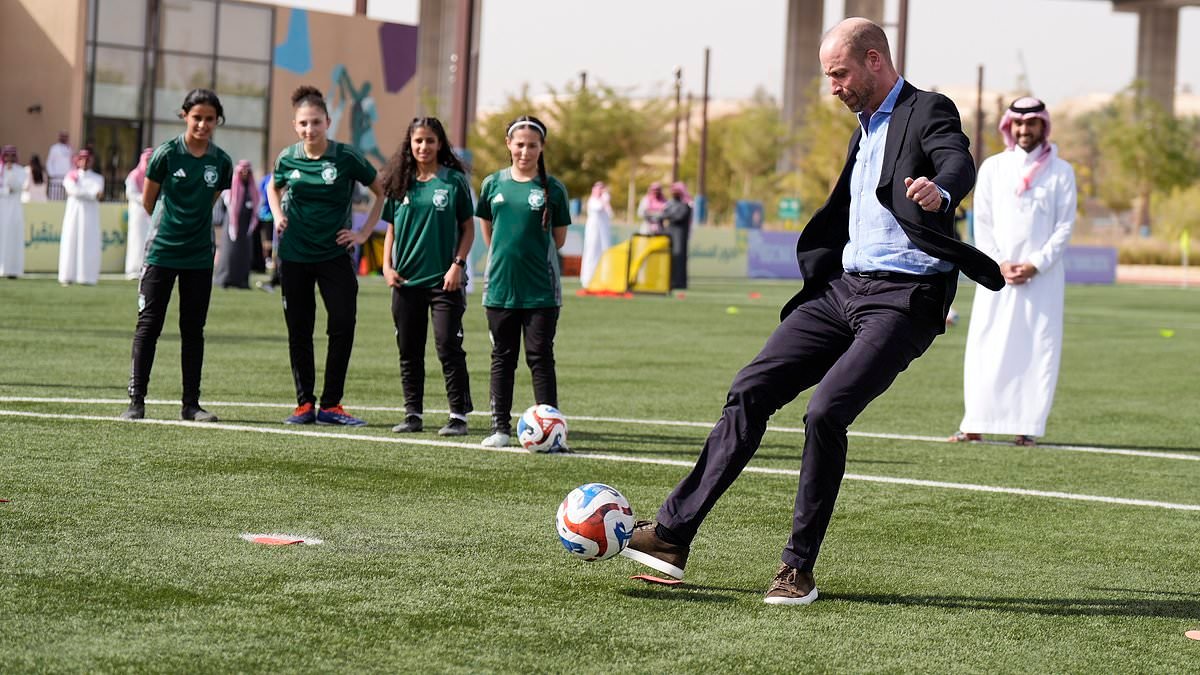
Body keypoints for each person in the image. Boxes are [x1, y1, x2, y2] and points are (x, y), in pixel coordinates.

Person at [619, 18, 1004, 605]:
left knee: (825, 412)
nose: (833, 87)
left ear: (874, 60)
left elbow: (957, 160)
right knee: (750, 389)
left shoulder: (928, 109)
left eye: (839, 73)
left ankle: (797, 569)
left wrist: (942, 191)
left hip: (904, 300)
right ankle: (671, 536)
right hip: (842, 289)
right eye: (828, 76)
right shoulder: (862, 129)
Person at [951, 97, 1076, 447]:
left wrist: (1036, 263)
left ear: (1043, 125)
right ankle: (974, 423)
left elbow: (1064, 227)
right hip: (997, 275)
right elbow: (982, 223)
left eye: (1031, 123)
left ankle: (1027, 427)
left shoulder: (1061, 172)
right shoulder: (993, 168)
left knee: (1038, 348)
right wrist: (999, 263)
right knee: (986, 345)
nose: (1024, 130)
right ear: (1009, 126)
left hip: (1042, 279)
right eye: (1018, 123)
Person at [267, 85, 384, 427]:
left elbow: (381, 191)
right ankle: (304, 403)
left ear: (328, 122)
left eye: (316, 122)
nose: (310, 129)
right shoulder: (287, 158)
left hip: (335, 255)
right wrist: (277, 215)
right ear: (295, 125)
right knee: (300, 329)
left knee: (343, 324)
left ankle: (332, 404)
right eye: (303, 123)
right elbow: (273, 186)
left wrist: (363, 233)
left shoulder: (346, 157)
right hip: (294, 255)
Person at [121, 89, 233, 422]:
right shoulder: (166, 154)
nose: (202, 124)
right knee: (149, 325)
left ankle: (191, 405)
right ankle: (136, 401)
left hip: (199, 255)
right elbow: (148, 201)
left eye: (209, 119)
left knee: (193, 329)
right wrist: (172, 225)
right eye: (197, 117)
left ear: (217, 121)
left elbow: (211, 200)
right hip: (162, 251)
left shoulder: (222, 161)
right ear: (185, 115)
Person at [475, 115, 572, 448]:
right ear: (509, 144)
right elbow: (488, 231)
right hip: (500, 288)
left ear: (541, 147)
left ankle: (552, 431)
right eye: (519, 144)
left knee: (540, 357)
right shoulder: (492, 184)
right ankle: (499, 428)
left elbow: (558, 239)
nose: (525, 151)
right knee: (502, 356)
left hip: (541, 290)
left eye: (532, 145)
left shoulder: (554, 189)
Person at [380, 117, 475, 436]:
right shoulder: (399, 181)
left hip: (445, 281)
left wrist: (457, 265)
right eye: (418, 140)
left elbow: (468, 228)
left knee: (448, 345)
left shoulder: (453, 181)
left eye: (430, 140)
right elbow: (391, 229)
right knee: (409, 349)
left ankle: (458, 415)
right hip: (406, 281)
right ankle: (413, 414)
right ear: (409, 144)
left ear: (440, 144)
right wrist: (387, 266)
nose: (423, 146)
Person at [57, 148, 104, 285]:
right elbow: (72, 190)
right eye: (82, 159)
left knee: (89, 244)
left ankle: (86, 277)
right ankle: (67, 276)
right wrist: (90, 194)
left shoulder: (98, 178)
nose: (84, 162)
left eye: (87, 160)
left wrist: (85, 193)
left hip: (90, 217)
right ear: (78, 160)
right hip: (73, 216)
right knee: (70, 242)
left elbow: (98, 193)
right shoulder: (71, 176)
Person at [213, 160, 259, 289]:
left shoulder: (251, 188)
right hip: (231, 225)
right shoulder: (231, 188)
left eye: (247, 170)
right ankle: (225, 278)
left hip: (246, 225)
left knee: (245, 253)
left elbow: (256, 204)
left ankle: (242, 280)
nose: (245, 173)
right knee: (229, 252)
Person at [124, 147, 154, 279]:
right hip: (138, 212)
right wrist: (145, 199)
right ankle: (134, 269)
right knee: (137, 239)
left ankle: (148, 268)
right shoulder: (134, 175)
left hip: (151, 212)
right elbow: (130, 193)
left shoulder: (156, 175)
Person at [660, 181, 692, 290]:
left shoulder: (686, 204)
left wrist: (669, 216)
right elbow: (663, 214)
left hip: (680, 234)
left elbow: (680, 216)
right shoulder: (670, 203)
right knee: (671, 257)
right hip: (670, 232)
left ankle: (679, 282)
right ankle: (671, 280)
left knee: (679, 257)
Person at [0, 146, 26, 278]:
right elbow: (7, 190)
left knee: (13, 238)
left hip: (14, 209)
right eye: (7, 155)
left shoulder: (21, 171)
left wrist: (10, 173)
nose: (9, 158)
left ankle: (12, 269)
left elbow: (17, 186)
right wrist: (5, 191)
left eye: (12, 155)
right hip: (1, 209)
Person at [580, 181, 612, 288]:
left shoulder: (605, 200)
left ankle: (603, 278)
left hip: (603, 232)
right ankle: (588, 279)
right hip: (593, 231)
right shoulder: (592, 200)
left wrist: (605, 200)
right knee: (591, 252)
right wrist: (604, 199)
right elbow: (598, 207)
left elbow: (610, 213)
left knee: (604, 251)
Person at [46, 131, 72, 200]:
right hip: (55, 179)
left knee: (64, 198)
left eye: (66, 136)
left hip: (66, 178)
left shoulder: (69, 149)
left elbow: (71, 163)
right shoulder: (54, 148)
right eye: (63, 136)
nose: (64, 138)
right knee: (54, 198)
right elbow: (49, 162)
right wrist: (51, 174)